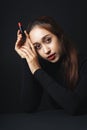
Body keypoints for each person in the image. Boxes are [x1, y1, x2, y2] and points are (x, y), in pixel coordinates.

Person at [15, 16, 87, 115]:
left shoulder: (84, 63)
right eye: (37, 47)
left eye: (48, 40)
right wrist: (26, 56)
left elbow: (75, 106)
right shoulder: (43, 66)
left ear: (59, 36)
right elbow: (28, 106)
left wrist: (37, 70)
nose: (46, 50)